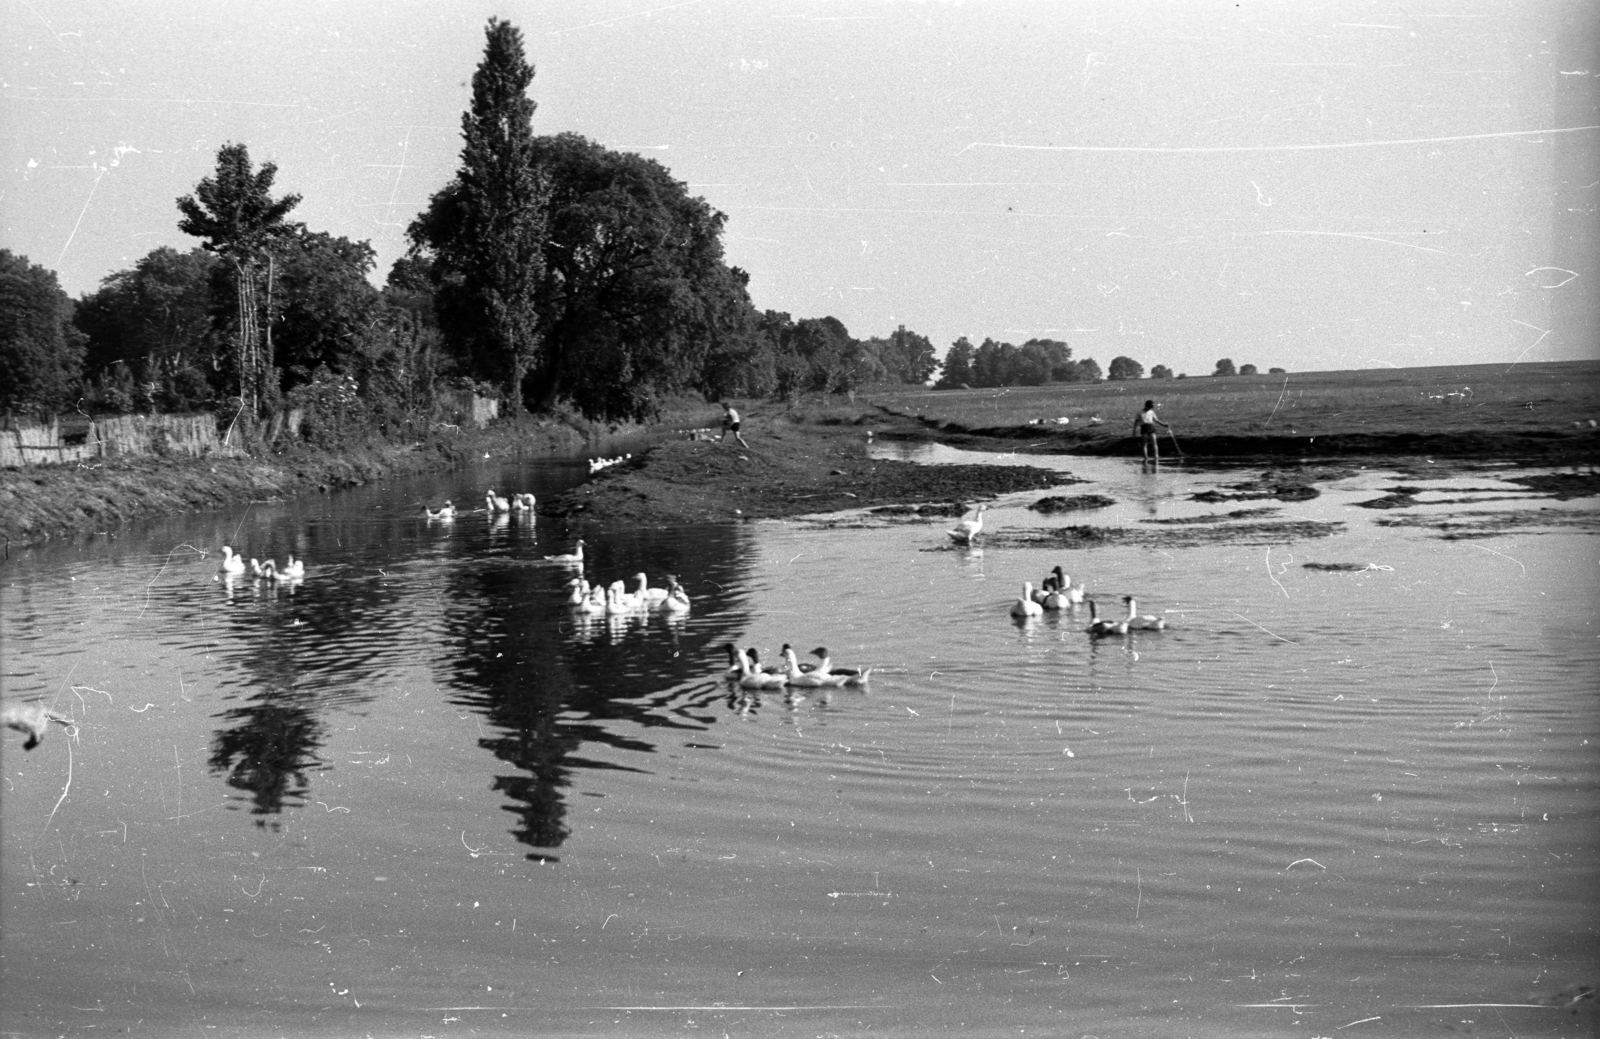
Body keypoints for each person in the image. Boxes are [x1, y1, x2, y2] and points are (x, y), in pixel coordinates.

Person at [1133, 399, 1171, 468]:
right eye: (1149, 407)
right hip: (1144, 428)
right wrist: (1134, 431)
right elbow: (1136, 422)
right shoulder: (1140, 413)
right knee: (1144, 443)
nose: (1149, 409)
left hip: (1151, 427)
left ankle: (1156, 456)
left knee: (1154, 442)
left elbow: (1156, 420)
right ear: (1146, 406)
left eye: (1151, 408)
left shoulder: (1151, 412)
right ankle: (1146, 457)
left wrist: (1164, 424)